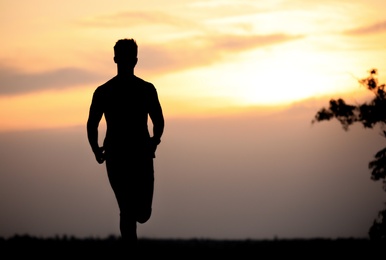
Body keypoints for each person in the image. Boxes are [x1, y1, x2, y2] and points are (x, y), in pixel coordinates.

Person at [86, 38, 165, 246]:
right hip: (119, 156)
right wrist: (96, 150)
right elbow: (91, 124)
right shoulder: (104, 91)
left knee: (142, 213)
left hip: (139, 155)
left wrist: (154, 142)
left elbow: (159, 122)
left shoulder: (145, 89)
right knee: (127, 210)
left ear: (116, 59)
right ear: (135, 60)